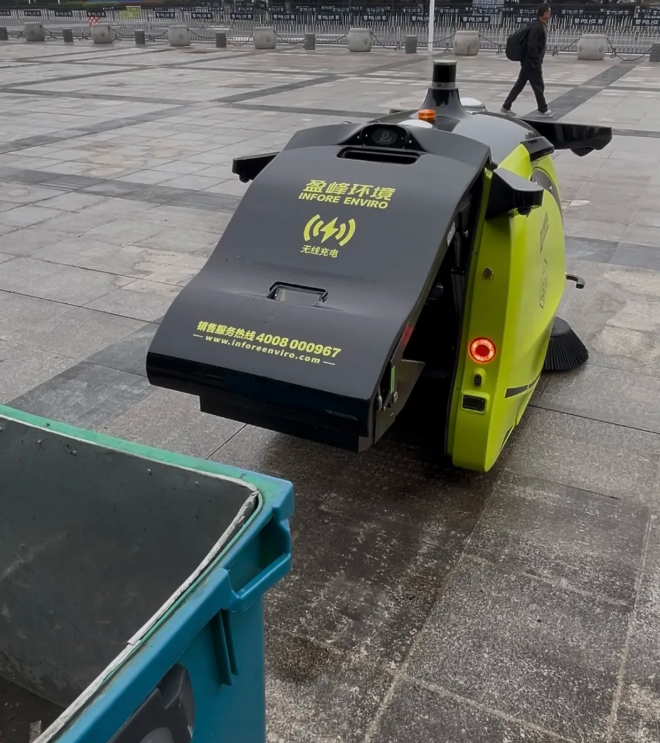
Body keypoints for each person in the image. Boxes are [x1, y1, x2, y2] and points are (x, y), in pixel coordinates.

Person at [501, 3, 553, 118]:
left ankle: (506, 106)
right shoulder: (536, 27)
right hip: (531, 63)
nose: (550, 14)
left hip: (529, 62)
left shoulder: (539, 25)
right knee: (538, 85)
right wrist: (536, 60)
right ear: (545, 14)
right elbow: (531, 46)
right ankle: (543, 110)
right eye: (549, 12)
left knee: (520, 85)